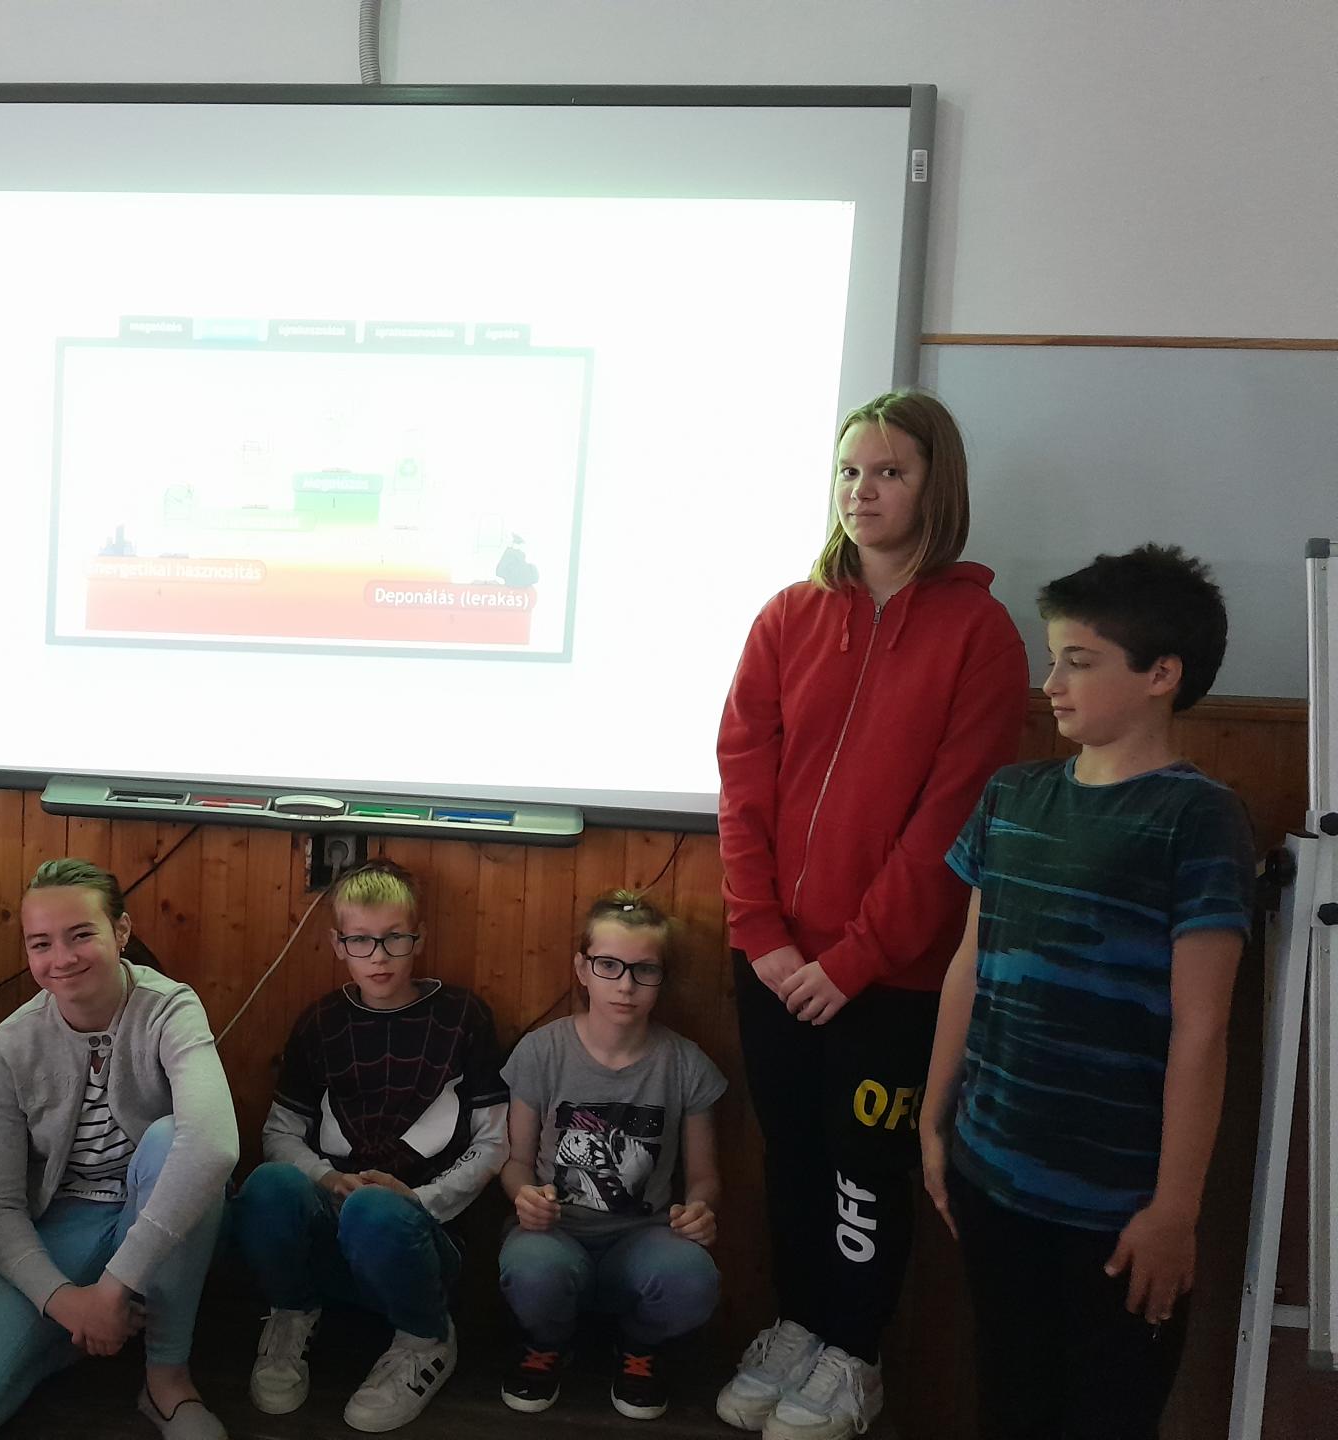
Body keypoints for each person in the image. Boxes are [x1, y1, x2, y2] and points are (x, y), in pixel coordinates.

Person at [714, 392, 1029, 1439]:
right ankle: (802, 1324)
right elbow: (743, 782)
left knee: (864, 1171)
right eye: (850, 470)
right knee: (794, 1157)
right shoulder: (788, 616)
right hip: (773, 964)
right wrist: (763, 936)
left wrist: (853, 960)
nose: (863, 491)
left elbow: (954, 818)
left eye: (890, 472)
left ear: (937, 487)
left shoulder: (980, 633)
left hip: (891, 977)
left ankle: (853, 1352)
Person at [921, 545, 1254, 1440]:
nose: (1052, 683)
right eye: (1052, 657)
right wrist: (933, 1120)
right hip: (992, 1171)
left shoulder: (1198, 817)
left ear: (1161, 675)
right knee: (1009, 1401)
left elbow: (1203, 1028)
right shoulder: (1013, 795)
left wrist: (1175, 1209)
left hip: (1116, 1210)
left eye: (1079, 660)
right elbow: (970, 964)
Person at [0, 859, 238, 1440]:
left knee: (169, 1141)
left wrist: (113, 1286)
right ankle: (80, 1337)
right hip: (64, 1223)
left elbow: (213, 1146)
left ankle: (166, 1379)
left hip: (163, 1212)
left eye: (81, 935)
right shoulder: (9, 1047)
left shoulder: (170, 1007)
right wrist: (66, 1304)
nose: (62, 958)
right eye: (41, 943)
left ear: (121, 931)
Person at [232, 860, 508, 1433]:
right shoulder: (321, 1023)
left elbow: (493, 1140)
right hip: (332, 1217)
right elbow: (280, 1132)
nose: (379, 956)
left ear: (418, 938)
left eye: (394, 938)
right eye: (361, 940)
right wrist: (326, 1179)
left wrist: (420, 1199)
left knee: (376, 1210)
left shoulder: (462, 1017)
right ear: (338, 944)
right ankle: (291, 1311)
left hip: (419, 1236)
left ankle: (425, 1337)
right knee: (266, 1185)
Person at [496, 890, 725, 1422]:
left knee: (693, 1278)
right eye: (609, 965)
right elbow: (515, 1162)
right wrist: (523, 1195)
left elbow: (705, 1175)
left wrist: (700, 1209)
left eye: (644, 970)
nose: (625, 985)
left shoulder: (686, 1064)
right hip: (555, 1232)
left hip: (644, 1237)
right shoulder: (542, 1051)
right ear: (582, 969)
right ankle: (549, 1342)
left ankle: (639, 1345)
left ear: (662, 977)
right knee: (532, 1270)